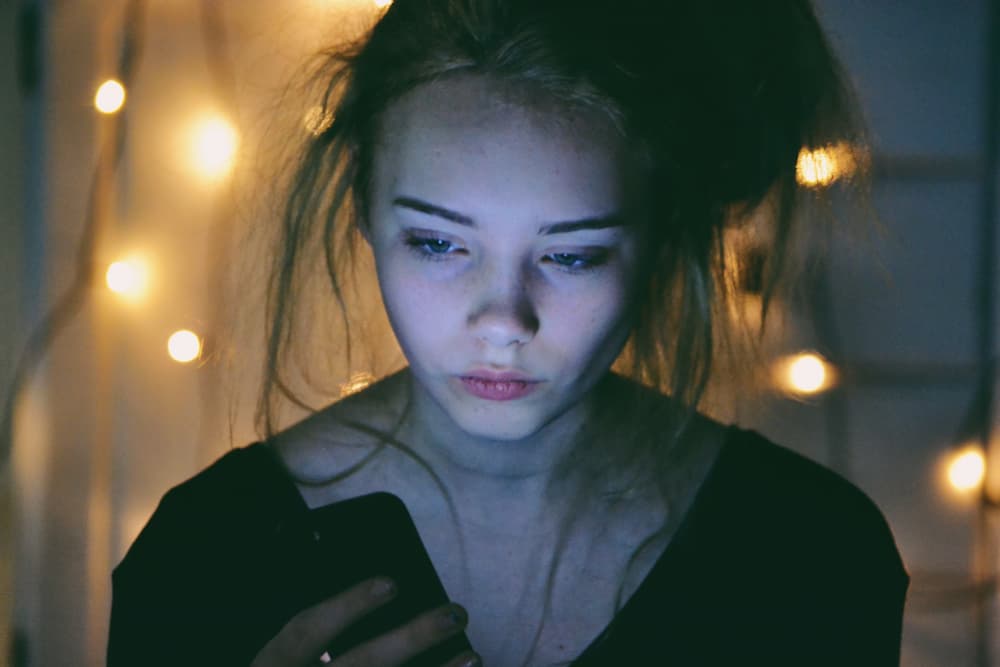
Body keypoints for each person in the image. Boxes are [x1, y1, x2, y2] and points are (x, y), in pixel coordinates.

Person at [107, 0, 908, 665]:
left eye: (571, 254)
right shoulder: (204, 557)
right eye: (438, 242)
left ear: (662, 236)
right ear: (362, 209)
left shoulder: (813, 556)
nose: (503, 320)